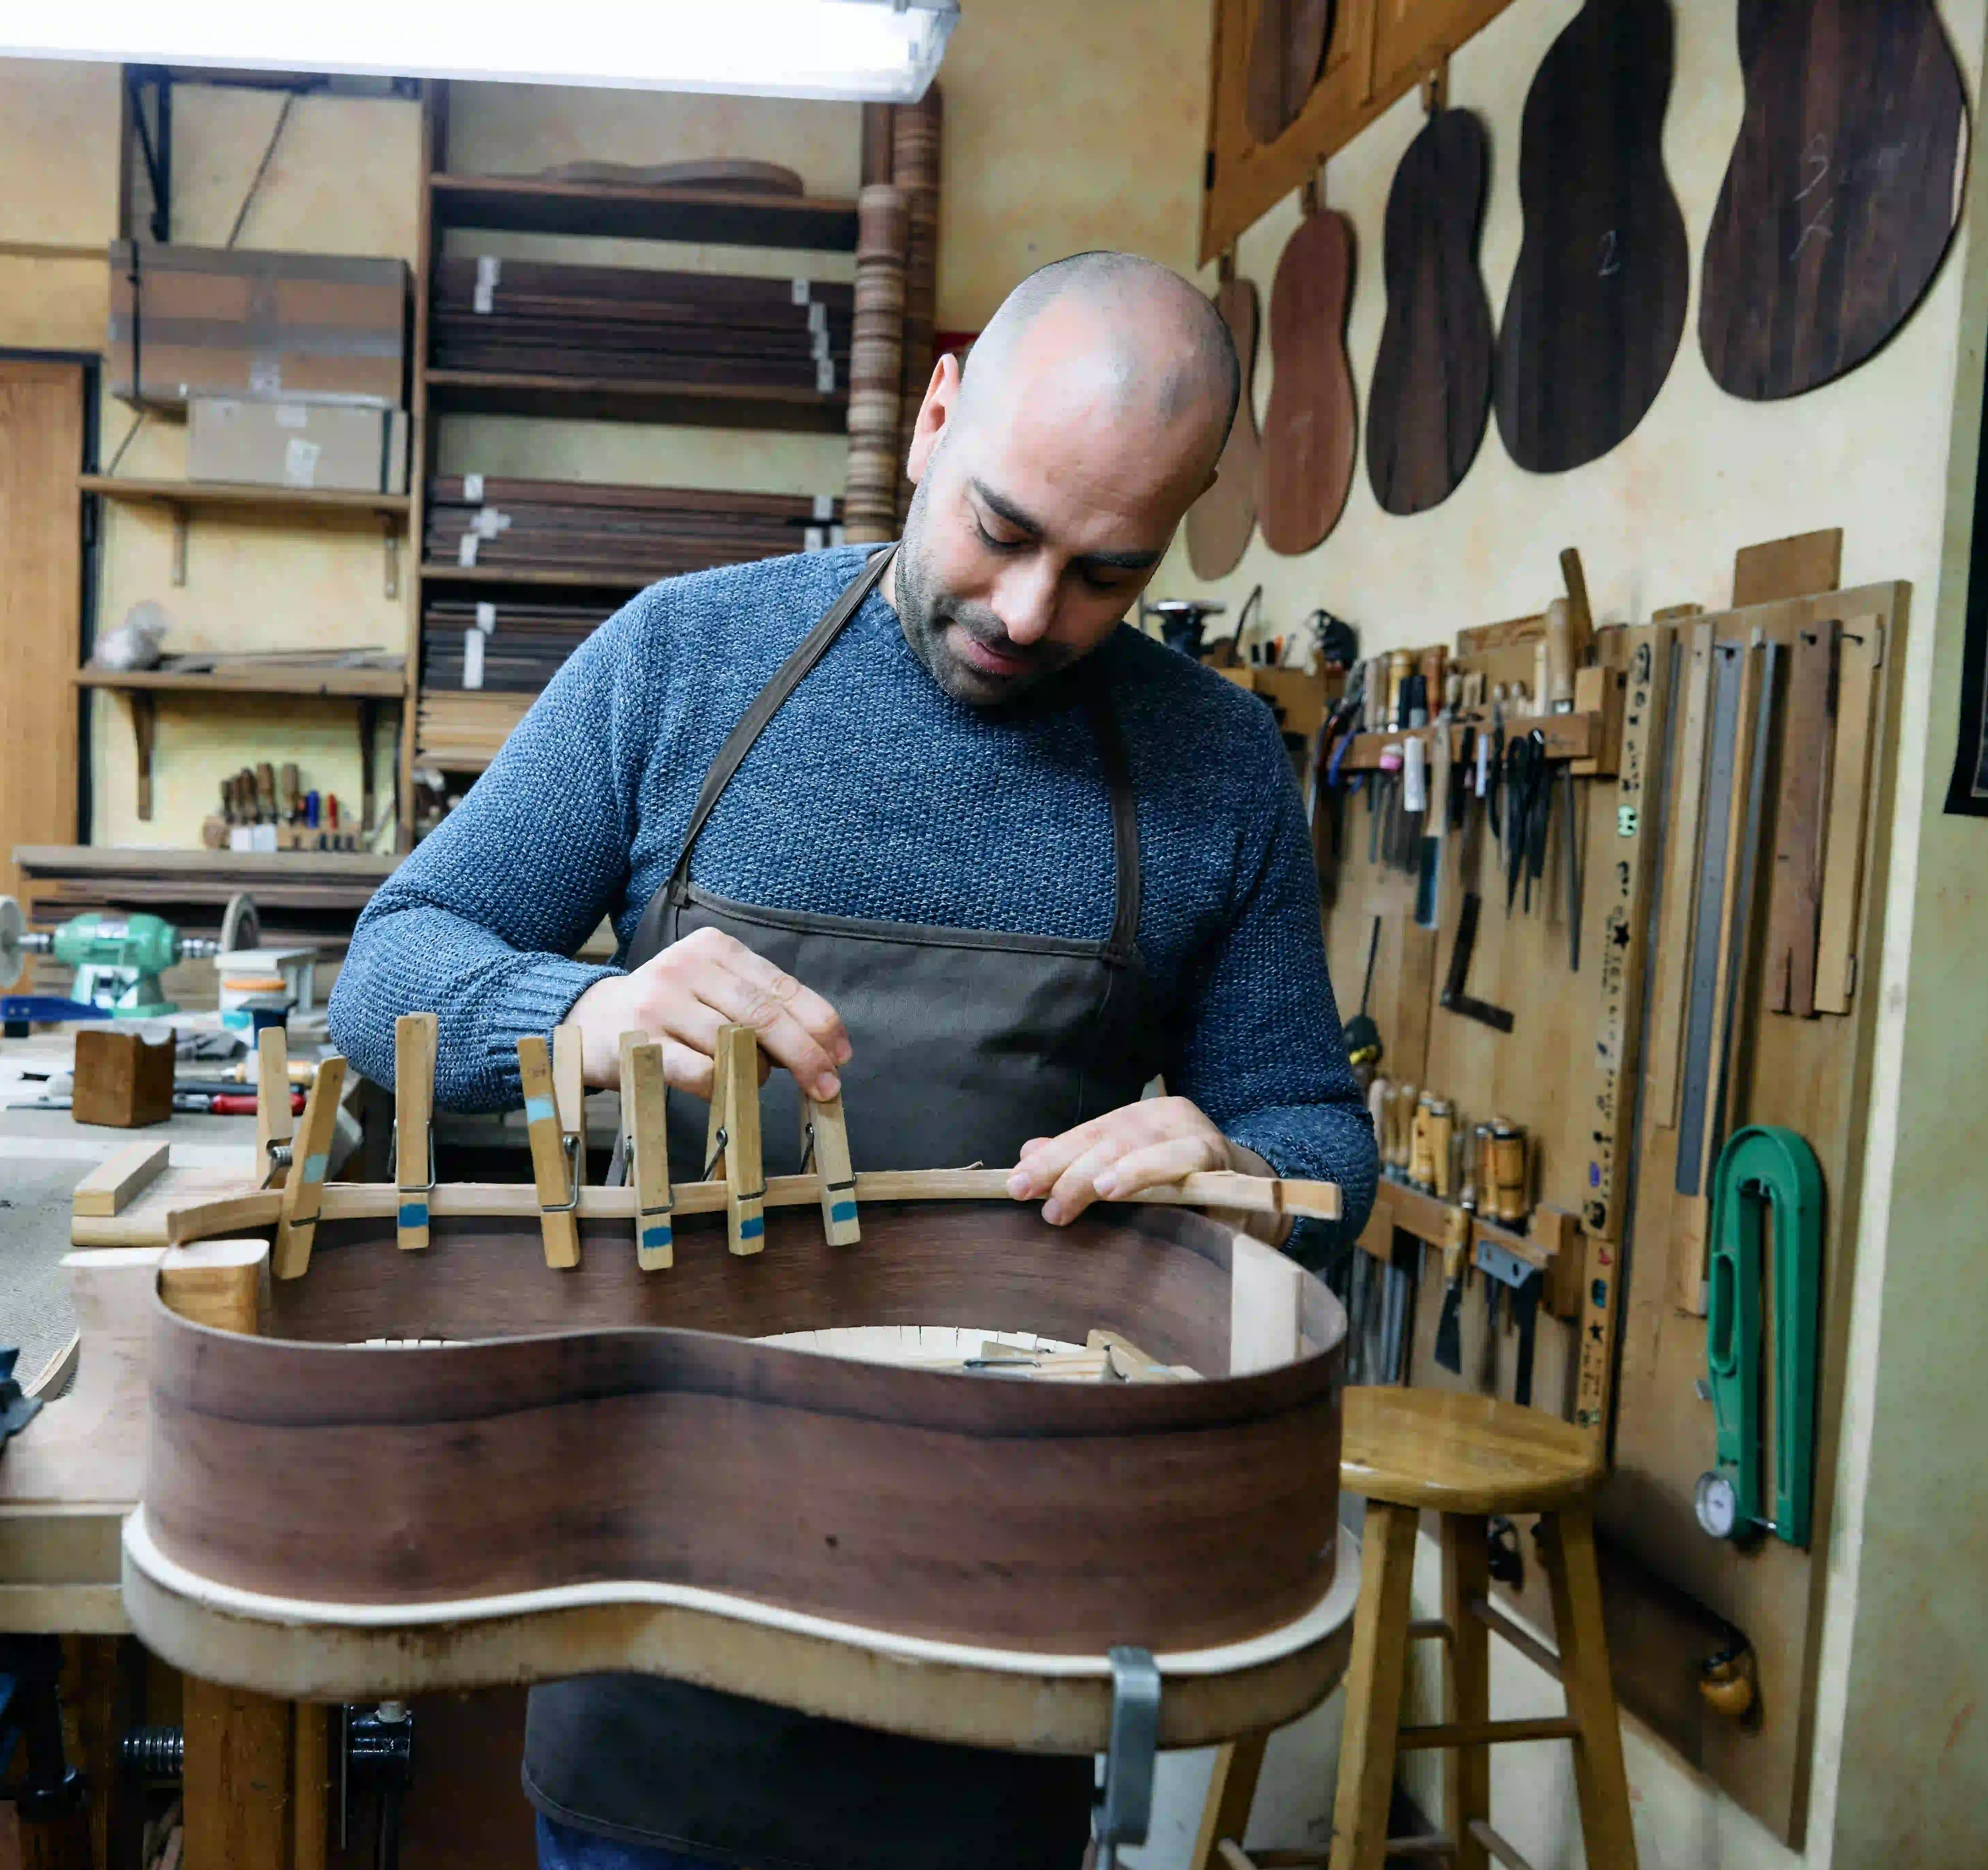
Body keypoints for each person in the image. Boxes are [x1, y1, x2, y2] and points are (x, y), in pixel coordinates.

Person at [327, 249, 1378, 1870]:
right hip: (661, 1574)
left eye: (1106, 573)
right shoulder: (680, 658)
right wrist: (580, 1021)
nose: (1033, 613)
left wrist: (1245, 1176)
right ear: (932, 418)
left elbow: (1316, 1125)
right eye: (1003, 531)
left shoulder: (1215, 759)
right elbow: (388, 970)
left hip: (1005, 1600)